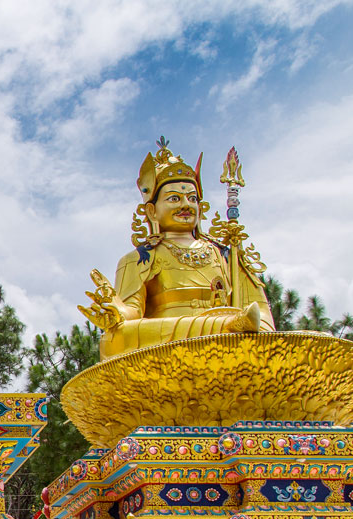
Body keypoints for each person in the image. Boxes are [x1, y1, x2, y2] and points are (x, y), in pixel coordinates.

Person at [80, 138, 275, 359]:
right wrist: (116, 311)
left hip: (235, 343)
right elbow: (131, 315)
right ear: (152, 211)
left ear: (200, 207)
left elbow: (260, 312)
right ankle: (224, 328)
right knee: (117, 338)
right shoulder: (140, 258)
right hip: (170, 345)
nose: (185, 205)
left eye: (191, 198)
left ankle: (229, 329)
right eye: (174, 198)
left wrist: (261, 334)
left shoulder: (226, 254)